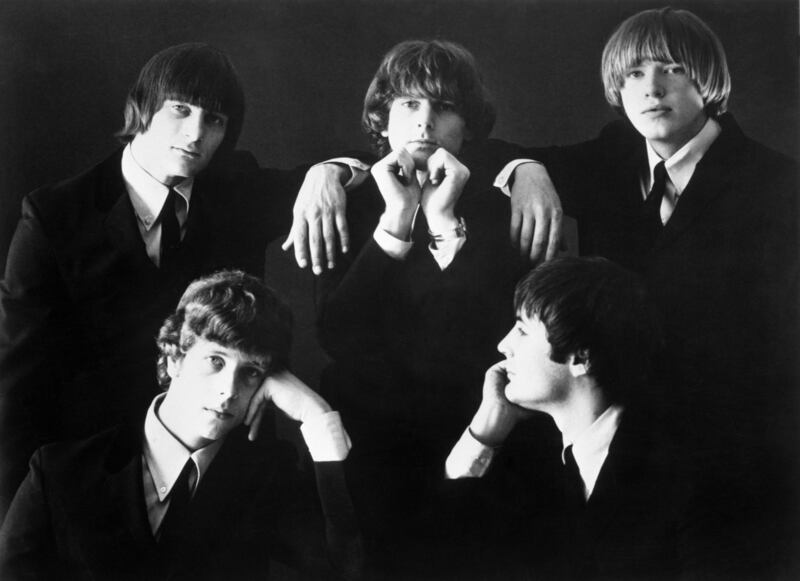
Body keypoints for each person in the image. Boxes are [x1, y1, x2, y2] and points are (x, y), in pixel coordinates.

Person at [0, 42, 361, 523]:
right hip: (95, 473)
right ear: (142, 108)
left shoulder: (235, 187)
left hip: (219, 466)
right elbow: (16, 386)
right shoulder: (55, 216)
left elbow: (365, 170)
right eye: (180, 110)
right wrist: (15, 519)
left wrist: (329, 172)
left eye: (215, 120)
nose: (195, 134)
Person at [500, 9, 798, 573]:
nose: (651, 88)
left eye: (672, 69)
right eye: (634, 73)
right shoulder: (611, 158)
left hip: (736, 456)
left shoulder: (779, 185)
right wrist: (525, 170)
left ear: (707, 81)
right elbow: (483, 151)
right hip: (623, 443)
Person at [316, 39, 559, 577]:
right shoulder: (345, 200)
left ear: (467, 126)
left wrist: (446, 222)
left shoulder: (506, 202)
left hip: (486, 428)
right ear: (382, 119)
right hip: (376, 440)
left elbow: (505, 333)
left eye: (444, 107)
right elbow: (338, 335)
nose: (425, 122)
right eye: (408, 104)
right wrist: (395, 224)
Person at [0, 270, 362, 580]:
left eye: (251, 372)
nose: (229, 391)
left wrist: (317, 416)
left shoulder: (265, 476)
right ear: (174, 358)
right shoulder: (59, 473)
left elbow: (346, 567)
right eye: (216, 361)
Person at [445, 257, 726, 580]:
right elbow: (442, 545)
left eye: (522, 330)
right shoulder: (530, 461)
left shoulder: (686, 476)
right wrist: (486, 429)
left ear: (581, 358)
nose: (503, 345)